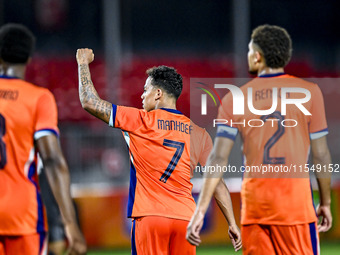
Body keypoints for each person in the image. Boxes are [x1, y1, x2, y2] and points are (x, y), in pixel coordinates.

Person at [76, 48, 242, 254]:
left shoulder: (139, 120)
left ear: (158, 93)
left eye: (146, 89)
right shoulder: (199, 133)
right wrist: (232, 223)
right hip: (185, 220)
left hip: (150, 217)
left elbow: (89, 102)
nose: (142, 95)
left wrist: (82, 63)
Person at [187, 24, 332, 255]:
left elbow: (218, 158)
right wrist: (325, 203)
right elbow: (321, 155)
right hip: (296, 210)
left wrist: (200, 210)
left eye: (248, 50)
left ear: (257, 55)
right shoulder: (310, 92)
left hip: (255, 209)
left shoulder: (236, 98)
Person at [0, 23, 86, 255]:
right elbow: (52, 160)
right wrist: (71, 224)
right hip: (22, 214)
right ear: (28, 59)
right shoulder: (39, 99)